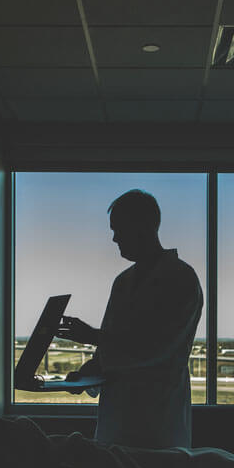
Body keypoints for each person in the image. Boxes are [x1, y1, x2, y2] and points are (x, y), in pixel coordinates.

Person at [57, 189, 203, 449]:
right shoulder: (122, 282)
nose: (114, 238)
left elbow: (157, 348)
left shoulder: (181, 279)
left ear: (143, 226)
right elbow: (114, 350)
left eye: (119, 229)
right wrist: (87, 374)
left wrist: (92, 337)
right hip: (118, 416)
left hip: (158, 417)